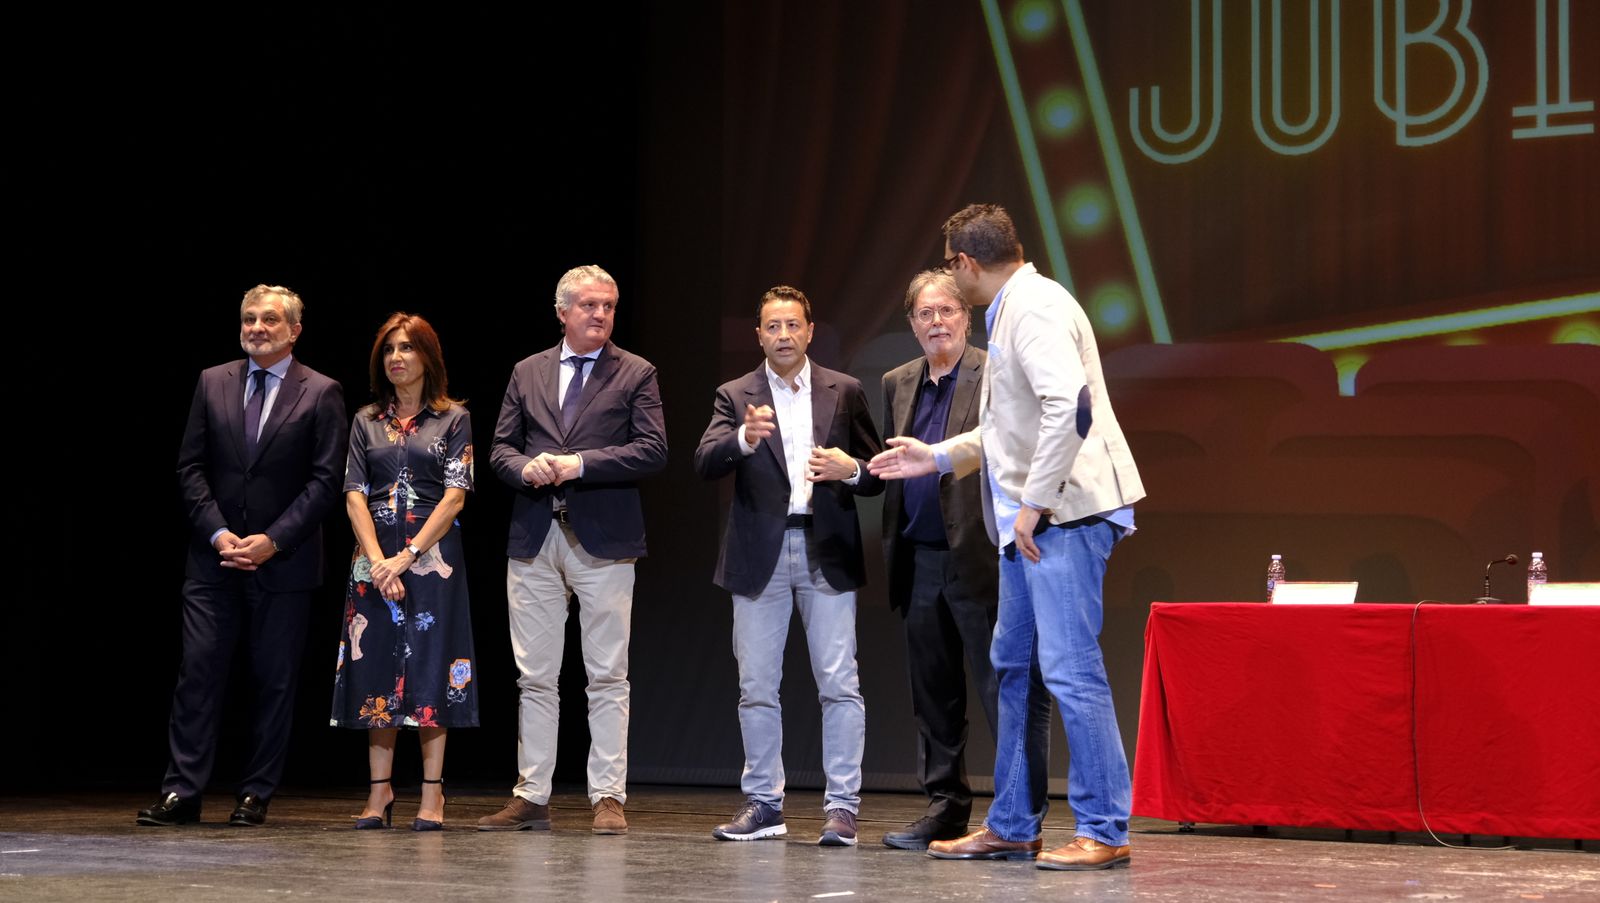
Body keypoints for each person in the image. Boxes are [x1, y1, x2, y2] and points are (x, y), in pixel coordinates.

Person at [869, 204, 1146, 871]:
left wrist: (1035, 502)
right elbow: (1007, 426)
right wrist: (933, 457)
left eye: (951, 269)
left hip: (1065, 515)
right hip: (1036, 521)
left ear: (965, 263)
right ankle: (1015, 822)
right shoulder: (1014, 308)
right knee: (1013, 666)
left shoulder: (1036, 308)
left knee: (1071, 668)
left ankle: (1104, 826)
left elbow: (1070, 405)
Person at [139, 284, 346, 827]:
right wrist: (218, 533)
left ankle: (255, 792)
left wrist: (272, 540)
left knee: (273, 680)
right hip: (213, 559)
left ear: (294, 330)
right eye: (249, 318)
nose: (257, 327)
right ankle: (182, 792)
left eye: (270, 320)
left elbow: (326, 483)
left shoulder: (322, 392)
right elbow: (190, 468)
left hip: (285, 562)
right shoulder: (213, 381)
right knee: (199, 672)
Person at [480, 265, 667, 835]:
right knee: (534, 675)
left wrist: (581, 464)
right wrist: (525, 467)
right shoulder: (527, 371)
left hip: (604, 541)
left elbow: (654, 449)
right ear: (561, 311)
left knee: (608, 673)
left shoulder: (636, 371)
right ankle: (532, 793)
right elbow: (500, 451)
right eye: (589, 305)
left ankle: (607, 796)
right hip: (535, 537)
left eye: (609, 306)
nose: (602, 315)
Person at [695, 285, 884, 847]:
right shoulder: (736, 394)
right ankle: (764, 804)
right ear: (759, 335)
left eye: (792, 325)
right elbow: (704, 461)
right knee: (756, 686)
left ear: (810, 330)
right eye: (772, 326)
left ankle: (842, 807)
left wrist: (852, 470)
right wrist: (743, 439)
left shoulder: (844, 390)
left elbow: (875, 472)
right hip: (761, 556)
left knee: (839, 684)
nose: (783, 335)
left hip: (826, 550)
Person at [331, 312, 478, 831]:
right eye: (390, 348)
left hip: (431, 562)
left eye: (408, 348)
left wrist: (408, 555)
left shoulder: (453, 418)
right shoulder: (365, 419)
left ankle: (433, 794)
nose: (397, 356)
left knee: (432, 670)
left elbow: (456, 496)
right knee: (376, 674)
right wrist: (376, 560)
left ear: (427, 357)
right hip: (372, 562)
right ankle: (379, 792)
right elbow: (352, 494)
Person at [878, 269, 998, 850]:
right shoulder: (897, 382)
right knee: (935, 696)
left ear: (965, 316)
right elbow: (892, 469)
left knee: (1003, 688)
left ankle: (1016, 815)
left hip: (980, 556)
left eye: (946, 310)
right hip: (919, 557)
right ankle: (946, 809)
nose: (936, 323)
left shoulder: (993, 371)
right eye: (925, 314)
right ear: (912, 324)